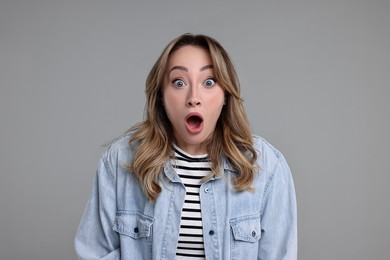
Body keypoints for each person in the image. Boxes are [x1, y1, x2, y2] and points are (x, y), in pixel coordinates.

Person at [75, 33, 297, 260]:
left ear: (225, 96)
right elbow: (96, 253)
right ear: (161, 95)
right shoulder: (121, 160)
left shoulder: (266, 166)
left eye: (209, 82)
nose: (193, 97)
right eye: (179, 82)